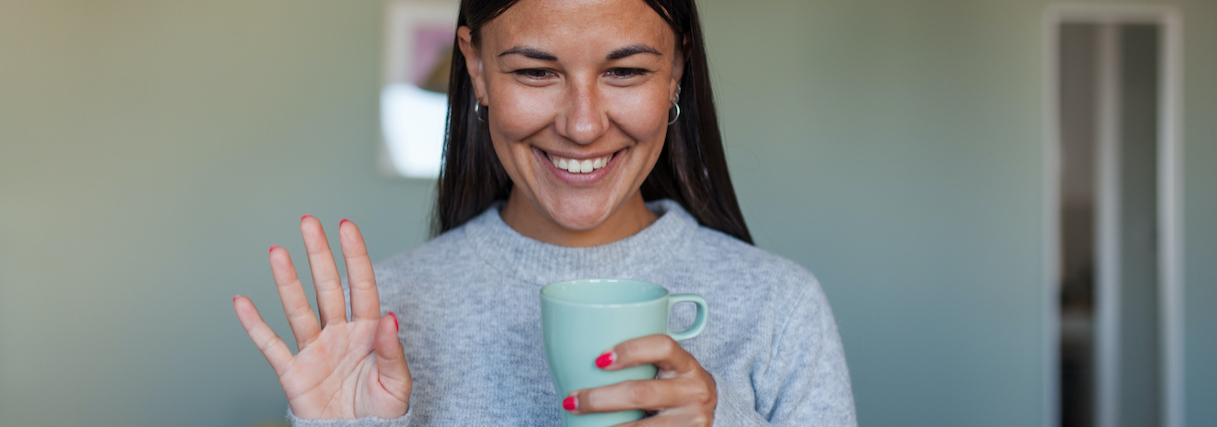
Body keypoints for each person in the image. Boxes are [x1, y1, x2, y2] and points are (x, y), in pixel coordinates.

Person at [231, 0, 857, 425]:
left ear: (677, 72)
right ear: (476, 67)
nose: (582, 126)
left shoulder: (780, 308)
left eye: (628, 70)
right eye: (535, 72)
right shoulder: (379, 321)